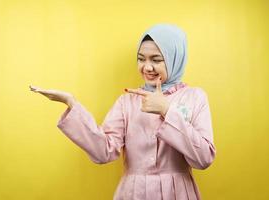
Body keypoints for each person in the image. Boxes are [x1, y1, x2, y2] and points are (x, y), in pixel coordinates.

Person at [30, 23, 216, 200]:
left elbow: (204, 159)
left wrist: (166, 110)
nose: (147, 67)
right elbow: (103, 151)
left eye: (156, 60)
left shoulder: (194, 97)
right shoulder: (127, 101)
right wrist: (71, 103)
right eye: (141, 59)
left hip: (178, 193)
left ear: (175, 58)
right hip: (134, 193)